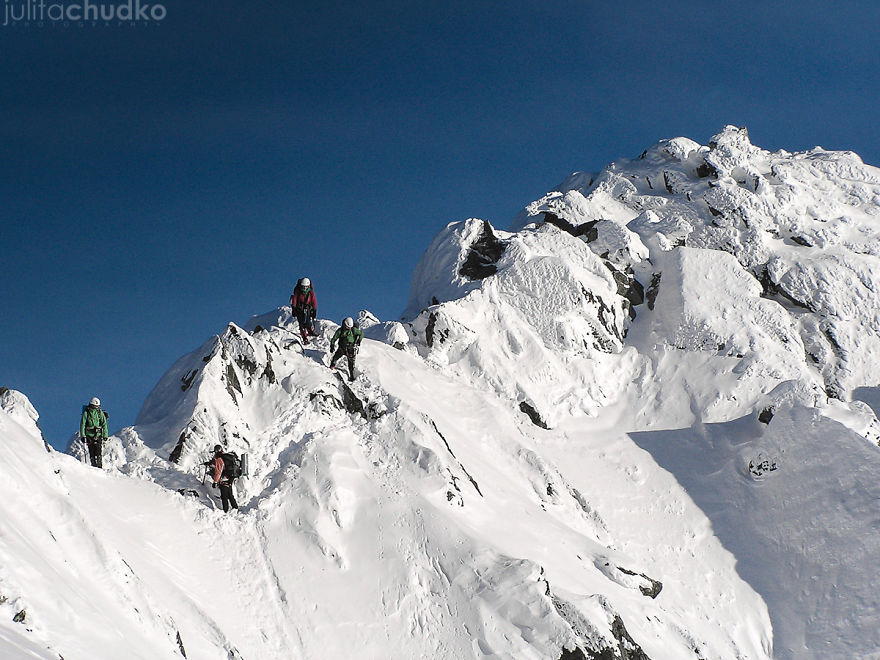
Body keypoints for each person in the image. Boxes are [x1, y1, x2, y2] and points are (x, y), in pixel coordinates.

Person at [329, 317, 363, 382]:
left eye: (350, 327)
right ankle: (331, 366)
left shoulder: (354, 330)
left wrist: (359, 340)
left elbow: (361, 334)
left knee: (351, 363)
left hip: (351, 348)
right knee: (335, 357)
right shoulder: (340, 331)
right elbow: (334, 338)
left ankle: (352, 376)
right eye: (347, 327)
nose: (349, 329)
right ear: (344, 325)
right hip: (342, 348)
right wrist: (332, 345)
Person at [79, 397, 108, 468]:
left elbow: (104, 424)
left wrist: (105, 435)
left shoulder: (99, 412)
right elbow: (83, 425)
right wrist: (83, 436)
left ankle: (99, 464)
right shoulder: (86, 413)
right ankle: (94, 465)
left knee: (98, 450)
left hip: (98, 435)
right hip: (89, 435)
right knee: (92, 451)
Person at [289, 277, 318, 344]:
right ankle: (304, 336)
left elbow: (314, 301)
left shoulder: (311, 292)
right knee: (301, 322)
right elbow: (295, 300)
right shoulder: (298, 291)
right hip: (299, 308)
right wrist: (294, 308)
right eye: (303, 287)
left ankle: (310, 331)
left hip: (307, 308)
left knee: (308, 320)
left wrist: (314, 309)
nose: (305, 288)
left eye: (306, 287)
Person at [210, 445, 239, 512]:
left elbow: (218, 471)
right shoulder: (226, 456)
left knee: (224, 496)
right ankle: (235, 508)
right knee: (230, 494)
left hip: (224, 478)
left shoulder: (219, 459)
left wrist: (215, 482)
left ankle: (225, 511)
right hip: (230, 477)